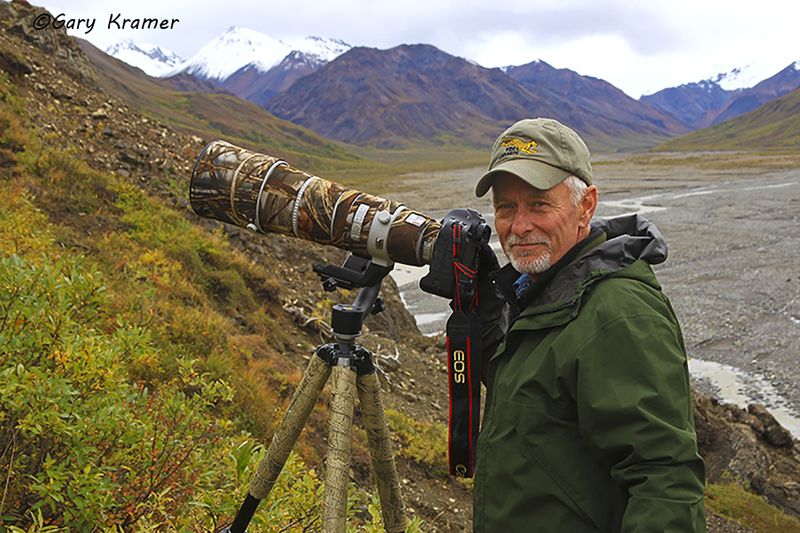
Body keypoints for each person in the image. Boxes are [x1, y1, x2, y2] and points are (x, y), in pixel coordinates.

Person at [471, 118, 706, 532]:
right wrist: (482, 314)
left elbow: (665, 480)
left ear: (587, 205)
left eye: (539, 204)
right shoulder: (543, 289)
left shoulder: (618, 312)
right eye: (506, 207)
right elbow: (532, 395)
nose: (519, 226)